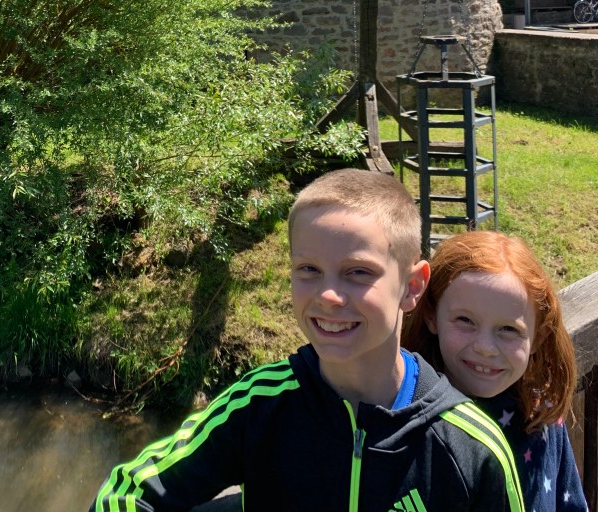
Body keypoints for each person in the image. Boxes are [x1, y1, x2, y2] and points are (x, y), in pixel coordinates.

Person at [90, 169, 524, 512]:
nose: (328, 296)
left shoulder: (470, 447)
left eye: (358, 272)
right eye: (308, 270)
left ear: (412, 286)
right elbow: (128, 493)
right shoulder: (258, 404)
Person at [402, 230, 587, 512]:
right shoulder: (405, 419)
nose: (486, 348)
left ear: (537, 337)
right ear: (431, 316)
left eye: (508, 329)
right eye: (465, 320)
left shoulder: (540, 412)